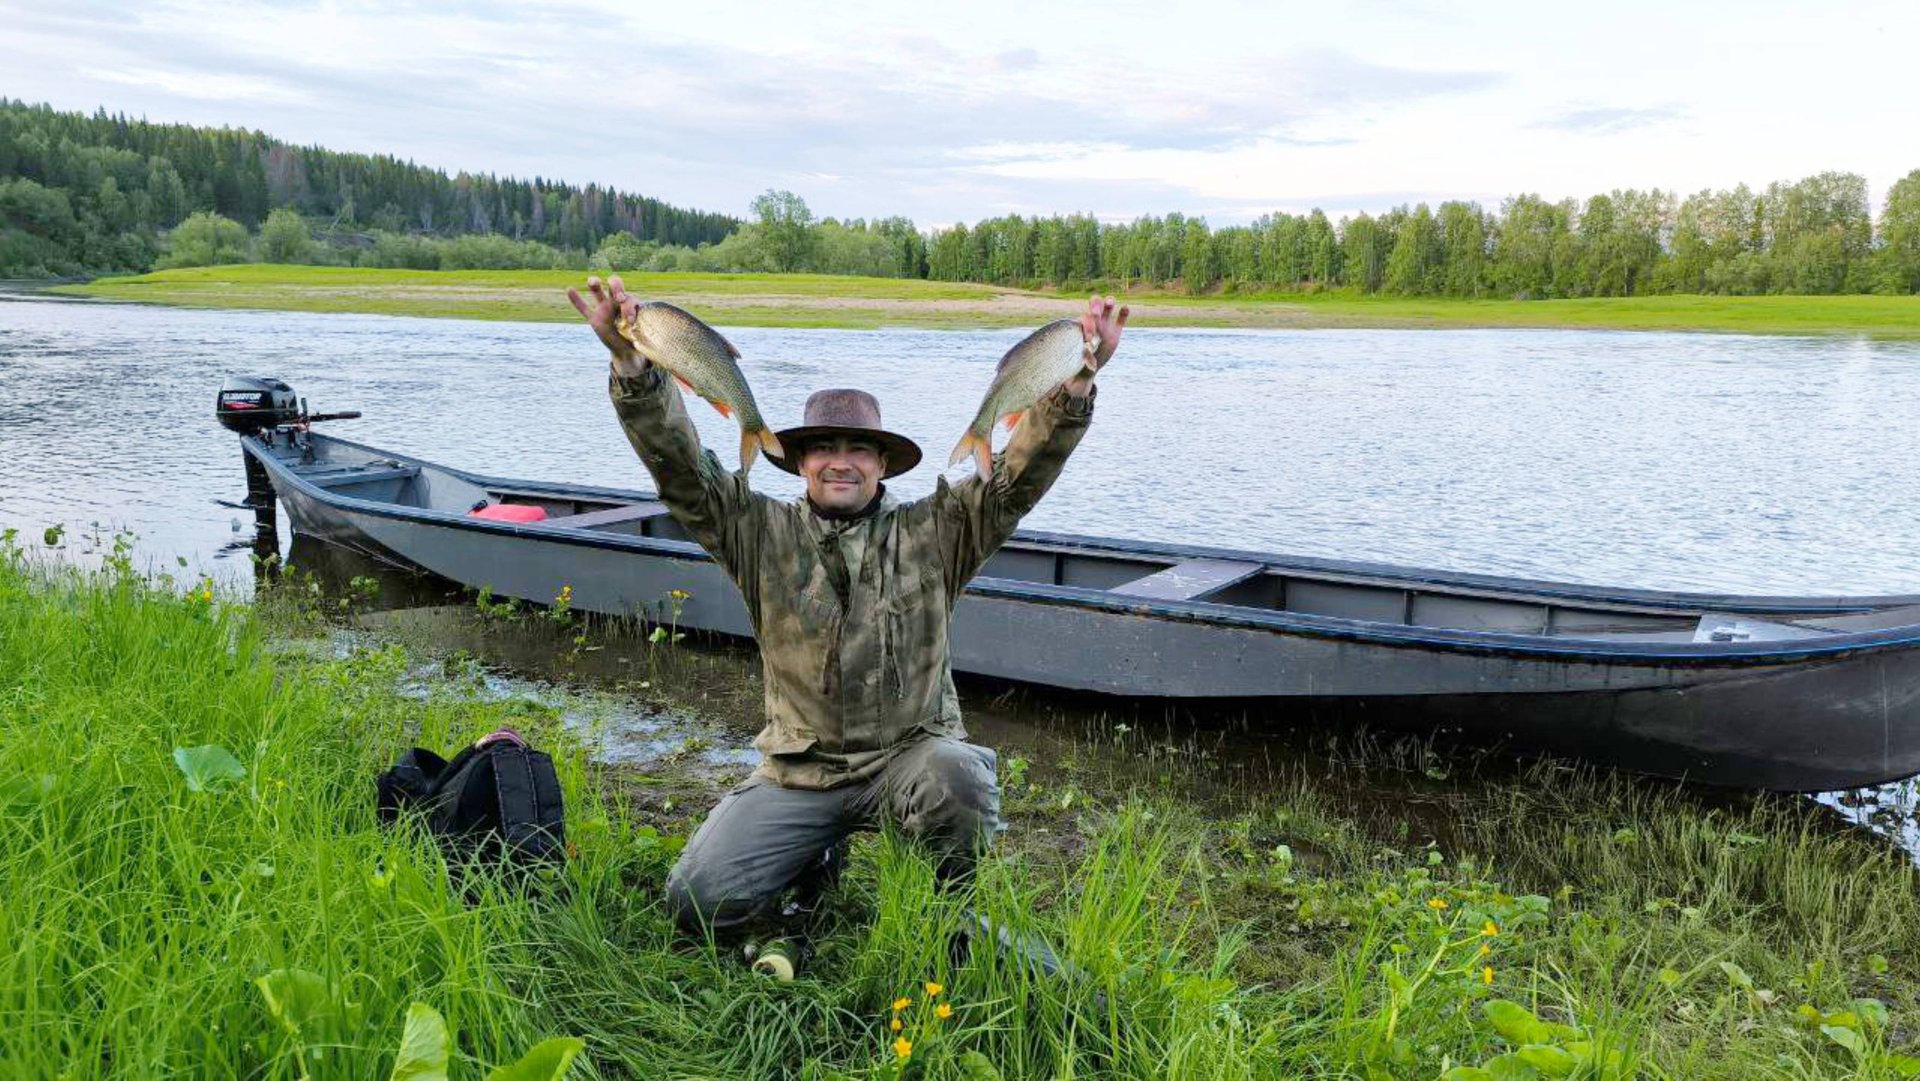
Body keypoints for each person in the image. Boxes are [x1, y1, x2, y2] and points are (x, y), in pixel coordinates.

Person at [567, 275, 1126, 961]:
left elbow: (1017, 478)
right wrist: (634, 369)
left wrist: (1073, 386)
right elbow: (683, 472)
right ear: (801, 462)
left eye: (859, 448)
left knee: (959, 774)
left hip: (909, 759)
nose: (841, 461)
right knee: (697, 899)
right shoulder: (756, 530)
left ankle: (942, 914)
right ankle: (817, 855)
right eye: (824, 447)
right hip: (800, 773)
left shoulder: (940, 529)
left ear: (882, 465)